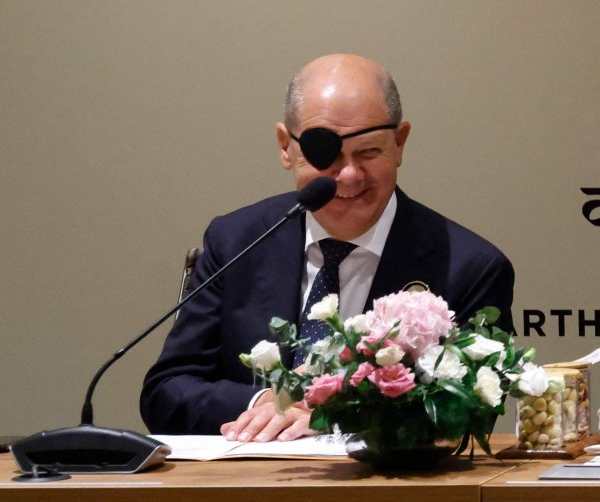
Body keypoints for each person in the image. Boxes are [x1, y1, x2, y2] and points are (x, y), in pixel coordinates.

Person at [140, 54, 514, 440]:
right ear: (286, 147)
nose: (349, 175)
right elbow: (166, 394)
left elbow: (472, 412)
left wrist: (332, 416)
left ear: (400, 144)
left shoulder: (470, 267)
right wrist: (269, 403)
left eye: (369, 152)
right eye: (325, 154)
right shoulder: (237, 241)